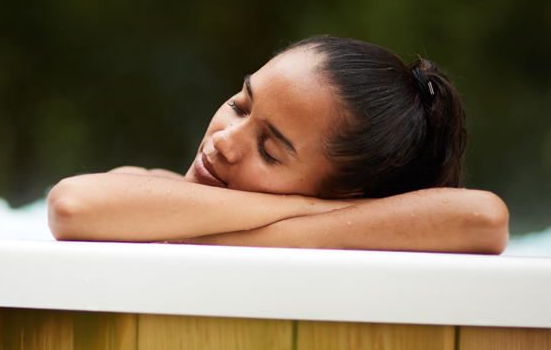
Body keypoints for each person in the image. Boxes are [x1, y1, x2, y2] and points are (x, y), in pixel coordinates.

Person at [47, 35, 509, 254]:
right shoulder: (152, 190)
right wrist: (310, 211)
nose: (225, 141)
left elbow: (483, 218)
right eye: (240, 105)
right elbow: (71, 204)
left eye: (270, 151)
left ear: (344, 194)